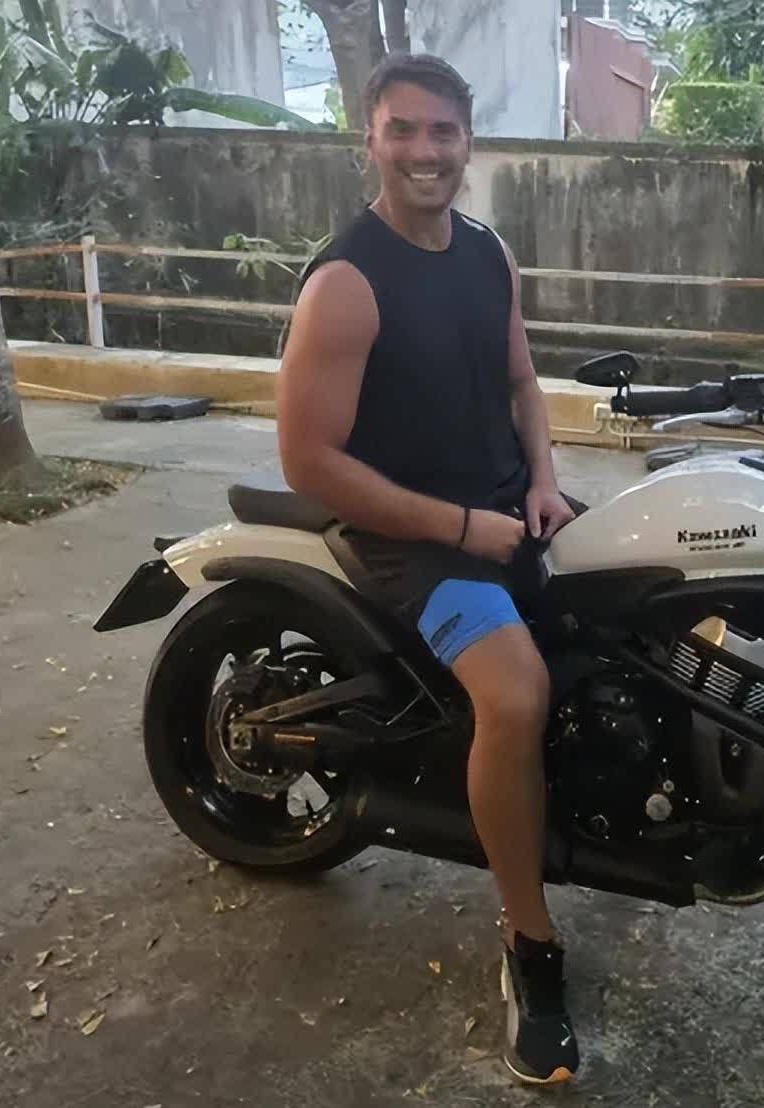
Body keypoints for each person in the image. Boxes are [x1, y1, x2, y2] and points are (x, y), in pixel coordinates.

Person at [276, 53, 579, 1085]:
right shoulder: (346, 284)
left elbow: (522, 381)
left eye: (441, 131)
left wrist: (544, 480)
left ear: (467, 141)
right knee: (517, 692)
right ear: (368, 138)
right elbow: (309, 463)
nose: (423, 150)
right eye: (401, 129)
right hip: (409, 539)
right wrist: (459, 526)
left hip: (503, 508)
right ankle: (530, 943)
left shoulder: (487, 252)